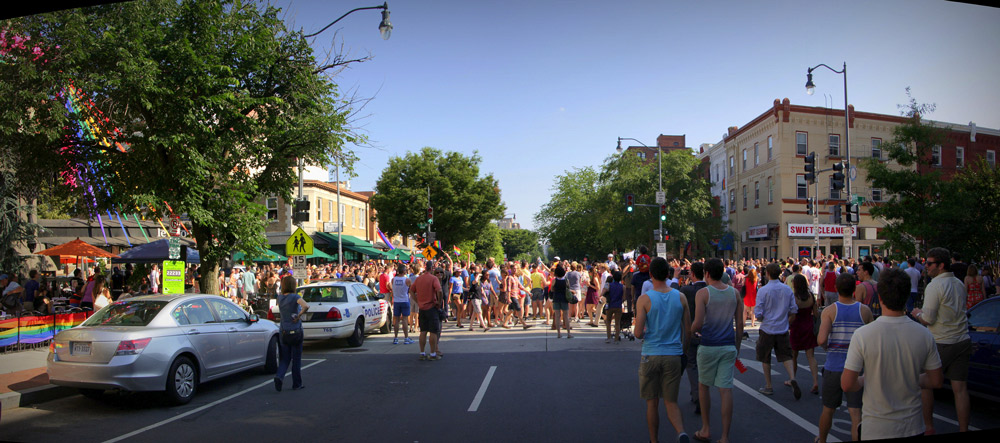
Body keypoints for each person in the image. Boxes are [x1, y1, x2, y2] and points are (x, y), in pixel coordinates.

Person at [842, 269, 943, 440]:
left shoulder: (863, 335)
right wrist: (907, 377)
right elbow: (936, 380)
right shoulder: (924, 334)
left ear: (880, 298)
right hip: (912, 425)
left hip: (876, 427)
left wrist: (866, 378)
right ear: (906, 298)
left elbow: (847, 384)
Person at [911, 247, 971, 435]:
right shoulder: (958, 283)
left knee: (926, 383)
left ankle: (928, 427)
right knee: (960, 389)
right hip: (962, 339)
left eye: (929, 263)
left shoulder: (935, 286)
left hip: (941, 341)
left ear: (941, 265)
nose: (926, 267)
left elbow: (928, 318)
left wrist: (917, 313)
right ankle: (963, 428)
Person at [634, 257, 691, 443]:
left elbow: (637, 333)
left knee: (652, 402)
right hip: (674, 354)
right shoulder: (680, 297)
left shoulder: (644, 299)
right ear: (668, 274)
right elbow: (687, 330)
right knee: (671, 401)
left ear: (650, 275)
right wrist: (683, 351)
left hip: (651, 353)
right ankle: (681, 431)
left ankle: (654, 440)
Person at [816, 273, 873, 443]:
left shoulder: (830, 311)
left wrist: (828, 348)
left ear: (836, 288)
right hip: (856, 368)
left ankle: (822, 440)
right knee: (856, 414)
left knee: (828, 409)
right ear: (854, 289)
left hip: (834, 366)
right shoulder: (864, 310)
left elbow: (821, 340)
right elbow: (871, 338)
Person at [691, 258, 742, 443]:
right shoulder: (734, 293)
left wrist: (689, 332)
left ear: (706, 273)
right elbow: (740, 325)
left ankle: (705, 429)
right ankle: (725, 436)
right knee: (726, 390)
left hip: (708, 345)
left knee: (704, 386)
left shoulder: (703, 293)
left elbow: (697, 323)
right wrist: (737, 348)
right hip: (728, 345)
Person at [754, 263, 800, 399]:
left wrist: (762, 318)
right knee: (786, 355)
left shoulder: (763, 290)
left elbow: (758, 312)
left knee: (765, 357)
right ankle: (792, 377)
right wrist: (787, 321)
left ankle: (768, 385)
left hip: (768, 328)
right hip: (782, 328)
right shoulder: (787, 289)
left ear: (767, 274)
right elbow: (793, 310)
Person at [678, 261, 708, 413]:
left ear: (693, 274)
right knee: (703, 366)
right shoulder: (710, 290)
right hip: (708, 333)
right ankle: (699, 393)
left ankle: (696, 394)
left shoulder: (686, 290)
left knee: (691, 364)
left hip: (690, 331)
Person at [275, 275, 309, 392]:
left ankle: (279, 376)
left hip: (283, 330)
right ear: (293, 285)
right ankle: (297, 383)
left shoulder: (280, 298)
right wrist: (299, 316)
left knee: (285, 358)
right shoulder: (295, 297)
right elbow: (306, 305)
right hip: (296, 330)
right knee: (296, 358)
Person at [788, 274, 820, 395]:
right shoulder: (811, 295)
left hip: (797, 327)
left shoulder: (794, 297)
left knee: (794, 355)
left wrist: (787, 325)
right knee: (811, 356)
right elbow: (816, 313)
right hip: (808, 326)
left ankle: (793, 379)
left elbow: (793, 316)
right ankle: (815, 381)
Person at [413, 261, 444, 361]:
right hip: (431, 307)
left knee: (423, 331)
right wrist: (439, 302)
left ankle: (422, 353)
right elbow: (439, 290)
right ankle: (433, 353)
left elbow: (411, 290)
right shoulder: (433, 278)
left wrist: (417, 301)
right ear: (432, 269)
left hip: (422, 308)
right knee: (433, 332)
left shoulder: (419, 279)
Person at [390, 264, 413, 345]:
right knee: (405, 320)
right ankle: (406, 338)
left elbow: (392, 289)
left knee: (396, 320)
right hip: (404, 300)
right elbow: (410, 290)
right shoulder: (407, 280)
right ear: (404, 271)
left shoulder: (393, 279)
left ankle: (396, 338)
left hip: (396, 301)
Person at [550, 264, 572, 338]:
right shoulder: (566, 280)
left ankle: (559, 333)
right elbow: (568, 288)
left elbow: (552, 289)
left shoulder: (554, 280)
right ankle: (568, 333)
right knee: (566, 316)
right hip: (564, 298)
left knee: (557, 316)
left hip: (556, 298)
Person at [602, 270, 624, 343]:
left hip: (610, 305)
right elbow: (624, 297)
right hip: (618, 305)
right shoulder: (623, 287)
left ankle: (609, 337)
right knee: (617, 322)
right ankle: (616, 338)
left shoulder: (609, 285)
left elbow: (604, 292)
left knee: (608, 321)